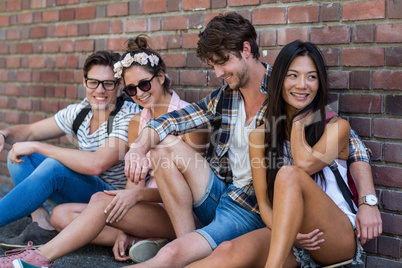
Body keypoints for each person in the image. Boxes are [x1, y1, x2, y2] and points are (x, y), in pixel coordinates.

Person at [121, 12, 381, 267]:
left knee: (174, 255)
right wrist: (137, 147)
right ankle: (189, 245)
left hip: (258, 207)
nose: (218, 72)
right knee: (161, 146)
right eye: (213, 64)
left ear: (246, 49)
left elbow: (353, 145)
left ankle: (187, 251)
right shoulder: (226, 96)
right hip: (227, 195)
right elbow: (172, 120)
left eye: (222, 62)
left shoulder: (287, 90)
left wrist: (367, 200)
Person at [0, 35, 208, 268]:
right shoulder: (139, 120)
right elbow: (134, 178)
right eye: (132, 89)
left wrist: (133, 198)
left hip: (177, 214)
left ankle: (37, 260)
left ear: (160, 77)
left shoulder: (188, 118)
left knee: (95, 196)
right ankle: (146, 241)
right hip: (142, 206)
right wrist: (124, 224)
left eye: (144, 84)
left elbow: (190, 191)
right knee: (59, 214)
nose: (139, 93)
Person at [186, 40, 383, 268]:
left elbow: (303, 165)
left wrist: (298, 123)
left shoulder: (336, 127)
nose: (302, 85)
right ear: (279, 80)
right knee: (227, 252)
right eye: (293, 76)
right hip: (292, 235)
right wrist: (288, 232)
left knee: (288, 175)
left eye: (311, 77)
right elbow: (265, 205)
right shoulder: (260, 137)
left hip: (334, 236)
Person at [0, 50, 141, 249]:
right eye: (93, 82)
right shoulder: (80, 112)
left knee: (53, 167)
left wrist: (38, 146)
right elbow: (30, 132)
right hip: (86, 194)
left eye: (108, 83)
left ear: (119, 85)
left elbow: (97, 164)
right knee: (19, 153)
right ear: (85, 82)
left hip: (114, 200)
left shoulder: (128, 115)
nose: (100, 90)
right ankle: (41, 223)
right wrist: (4, 134)